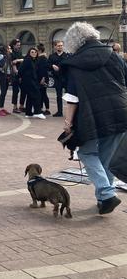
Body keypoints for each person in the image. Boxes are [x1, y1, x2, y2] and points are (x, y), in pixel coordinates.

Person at [62, 21, 127, 214]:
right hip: (120, 112)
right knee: (107, 156)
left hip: (91, 115)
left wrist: (68, 122)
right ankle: (104, 198)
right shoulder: (115, 56)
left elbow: (72, 98)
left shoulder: (73, 63)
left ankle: (107, 193)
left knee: (86, 153)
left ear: (73, 42)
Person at [19, 47, 44, 119]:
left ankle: (28, 113)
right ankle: (37, 112)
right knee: (37, 95)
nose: (34, 53)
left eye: (35, 52)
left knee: (30, 97)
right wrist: (23, 77)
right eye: (32, 52)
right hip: (28, 81)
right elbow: (20, 70)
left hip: (33, 81)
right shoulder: (27, 60)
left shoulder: (35, 61)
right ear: (29, 53)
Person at [48, 40, 68, 117]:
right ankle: (59, 112)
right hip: (57, 78)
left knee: (69, 95)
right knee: (58, 96)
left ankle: (72, 112)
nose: (60, 47)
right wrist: (52, 66)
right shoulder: (52, 56)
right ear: (55, 47)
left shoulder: (67, 55)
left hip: (66, 78)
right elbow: (47, 65)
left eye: (61, 45)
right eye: (59, 45)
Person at [0, 45, 11, 116]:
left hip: (7, 75)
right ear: (6, 49)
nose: (10, 49)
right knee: (3, 92)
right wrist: (0, 66)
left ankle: (2, 108)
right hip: (2, 76)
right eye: (9, 48)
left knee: (4, 92)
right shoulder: (2, 55)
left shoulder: (7, 56)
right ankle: (0, 109)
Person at [10, 39, 25, 113]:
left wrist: (18, 60)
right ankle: (15, 107)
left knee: (23, 90)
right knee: (15, 91)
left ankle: (21, 106)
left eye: (19, 45)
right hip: (15, 74)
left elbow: (23, 59)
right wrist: (16, 71)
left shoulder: (19, 52)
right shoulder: (11, 53)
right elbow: (12, 63)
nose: (19, 46)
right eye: (17, 45)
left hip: (21, 73)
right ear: (13, 45)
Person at [36, 43, 51, 115]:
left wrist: (43, 78)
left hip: (42, 78)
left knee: (43, 94)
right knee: (41, 94)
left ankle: (47, 109)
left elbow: (44, 69)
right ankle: (41, 108)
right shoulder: (41, 58)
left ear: (39, 50)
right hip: (41, 78)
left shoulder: (42, 58)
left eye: (36, 50)